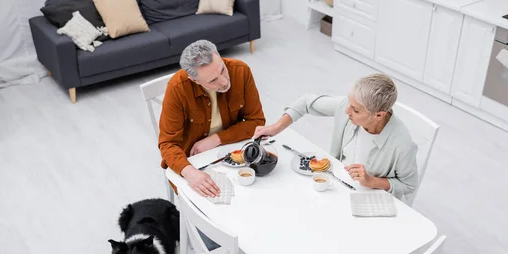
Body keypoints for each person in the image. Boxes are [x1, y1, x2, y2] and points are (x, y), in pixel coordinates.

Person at [254, 73, 418, 200]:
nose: (347, 112)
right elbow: (305, 103)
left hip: (366, 198)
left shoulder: (402, 145)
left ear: (379, 115)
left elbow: (408, 185)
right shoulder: (348, 107)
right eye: (349, 104)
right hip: (335, 184)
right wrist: (276, 128)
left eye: (356, 110)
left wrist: (371, 181)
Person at [158, 39, 266, 198]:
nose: (224, 81)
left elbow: (257, 122)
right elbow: (167, 144)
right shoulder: (177, 89)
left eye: (222, 69)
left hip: (233, 151)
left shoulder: (240, 71)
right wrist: (190, 173)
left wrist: (216, 139)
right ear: (194, 80)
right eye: (213, 80)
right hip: (194, 162)